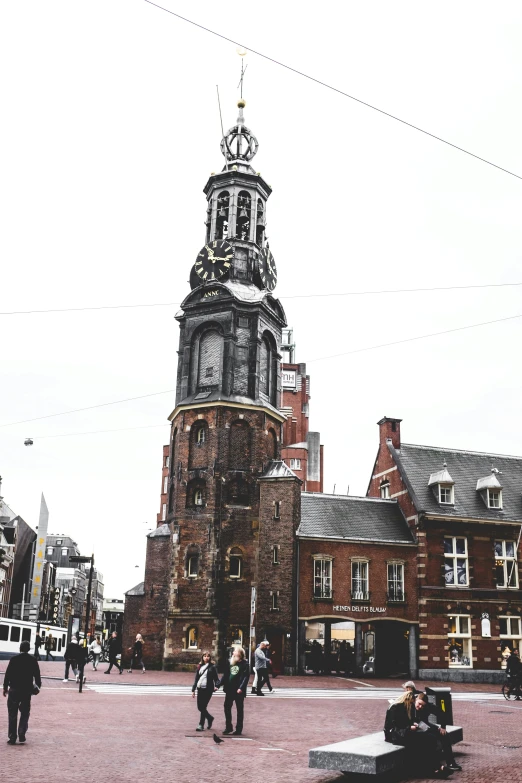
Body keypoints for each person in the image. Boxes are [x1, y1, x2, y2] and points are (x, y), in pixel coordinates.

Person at [384, 691, 452, 778]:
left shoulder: (408, 707)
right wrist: (409, 728)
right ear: (408, 700)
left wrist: (414, 725)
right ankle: (436, 767)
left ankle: (435, 767)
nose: (418, 707)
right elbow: (392, 728)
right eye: (416, 703)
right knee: (427, 740)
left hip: (405, 733)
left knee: (430, 738)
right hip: (395, 735)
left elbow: (409, 722)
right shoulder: (395, 708)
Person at [3, 640, 41, 745]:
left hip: (14, 689)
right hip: (26, 690)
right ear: (28, 649)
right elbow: (37, 675)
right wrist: (38, 687)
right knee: (25, 712)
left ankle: (12, 736)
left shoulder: (14, 659)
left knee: (12, 713)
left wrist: (5, 687)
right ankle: (21, 732)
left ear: (20, 648)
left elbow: (7, 674)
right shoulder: (33, 660)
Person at [414, 692, 462, 772]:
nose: (420, 707)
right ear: (416, 700)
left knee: (444, 734)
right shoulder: (410, 705)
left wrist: (443, 727)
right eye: (419, 704)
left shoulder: (428, 706)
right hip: (413, 727)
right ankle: (435, 764)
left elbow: (442, 713)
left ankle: (450, 762)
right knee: (431, 738)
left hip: (424, 725)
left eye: (423, 705)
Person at [218, 646, 250, 736]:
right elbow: (225, 676)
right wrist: (218, 685)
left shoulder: (245, 664)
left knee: (239, 709)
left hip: (238, 690)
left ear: (239, 654)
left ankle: (239, 729)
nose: (233, 653)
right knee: (227, 707)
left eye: (235, 651)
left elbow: (245, 677)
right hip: (229, 689)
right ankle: (228, 727)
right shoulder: (231, 663)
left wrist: (241, 688)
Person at [191, 651, 219, 731]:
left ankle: (201, 724)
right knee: (200, 707)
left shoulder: (212, 667)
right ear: (202, 657)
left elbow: (216, 679)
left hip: (208, 689)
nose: (206, 658)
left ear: (210, 658)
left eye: (208, 656)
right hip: (200, 688)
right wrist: (193, 689)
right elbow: (197, 678)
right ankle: (210, 718)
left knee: (203, 706)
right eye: (205, 656)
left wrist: (217, 686)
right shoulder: (200, 666)